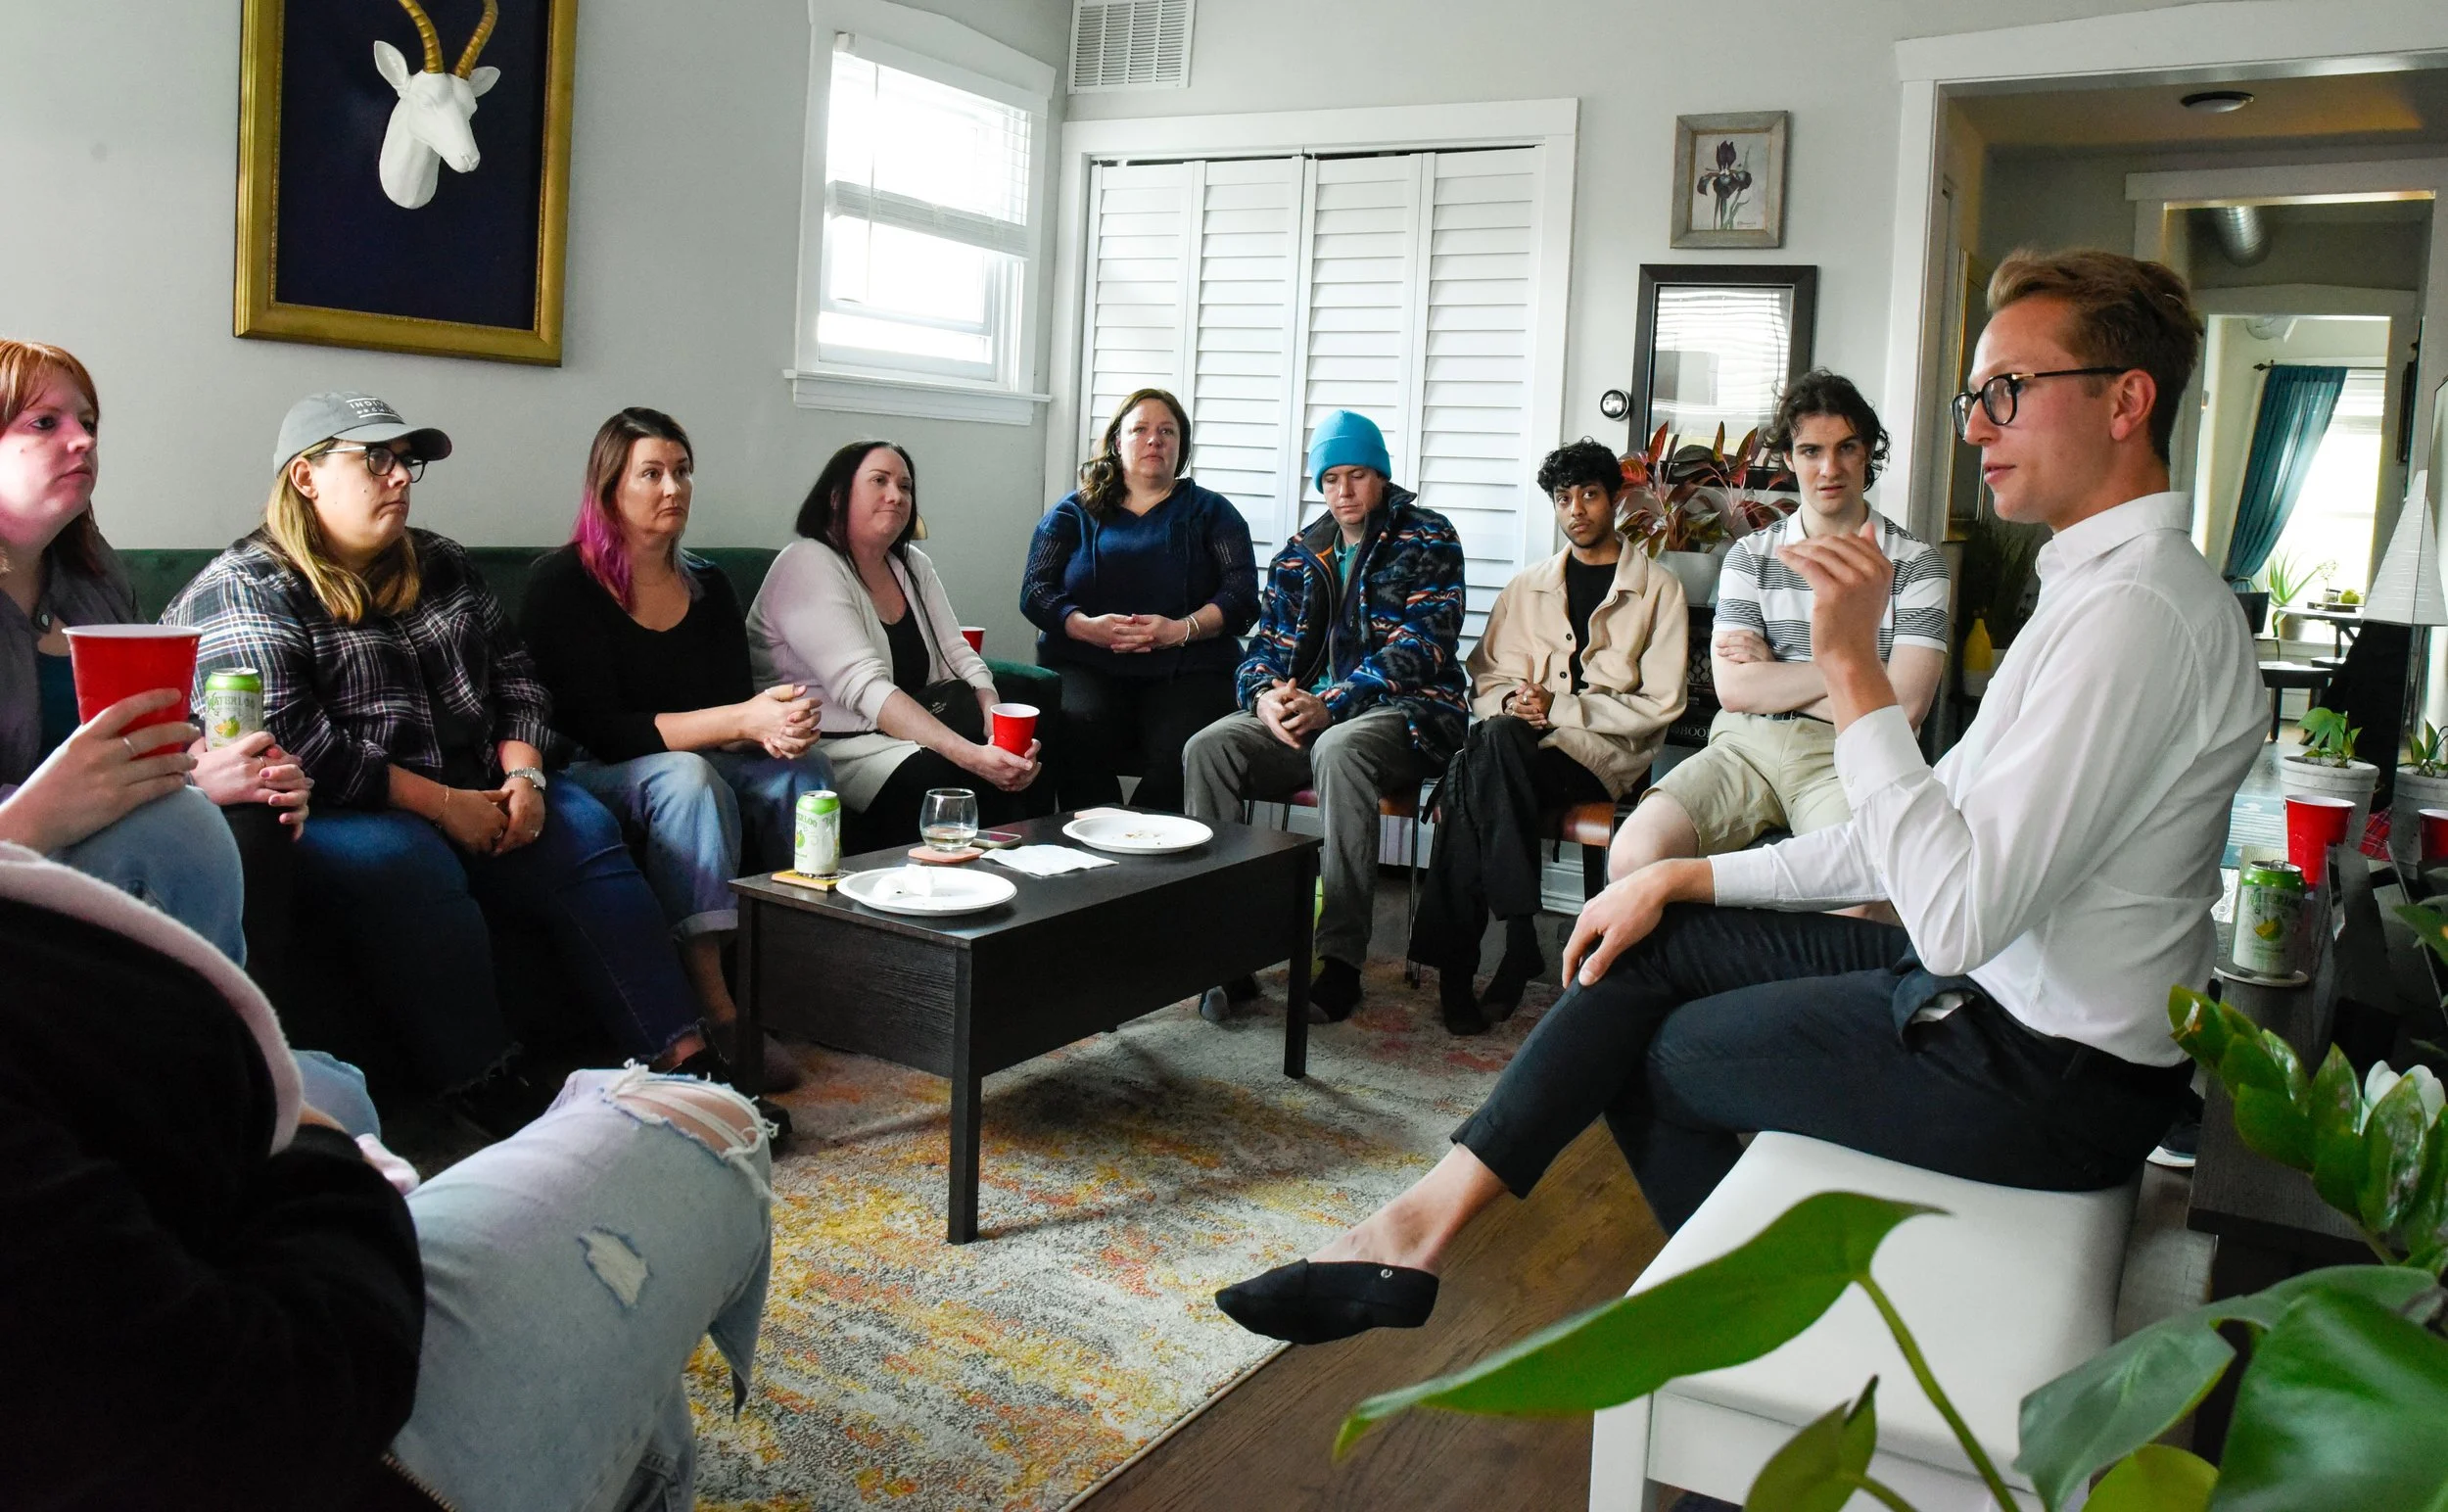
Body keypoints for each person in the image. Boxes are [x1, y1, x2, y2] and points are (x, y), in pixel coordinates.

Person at [1216, 249, 2260, 1347]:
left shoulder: (2137, 616)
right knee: (1646, 941)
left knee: (1656, 1056)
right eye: (1972, 397)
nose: (1975, 426)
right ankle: (1417, 1225)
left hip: (2042, 1066)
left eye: (2006, 392)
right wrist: (1684, 873)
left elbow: (1949, 911)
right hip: (1992, 992)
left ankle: (1763, 1353)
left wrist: (1851, 667)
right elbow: (1913, 831)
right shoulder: (2094, 594)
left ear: (2124, 400)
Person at [0, 842, 774, 1512]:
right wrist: (323, 1160)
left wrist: (523, 770)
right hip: (327, 1436)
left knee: (341, 1082)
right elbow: (244, 1431)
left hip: (212, 1227)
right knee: (698, 1119)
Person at [165, 392, 744, 1137]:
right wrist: (442, 807)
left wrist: (526, 778)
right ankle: (489, 1084)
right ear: (306, 477)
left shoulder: (439, 561)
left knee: (581, 825)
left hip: (485, 778)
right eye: (376, 460)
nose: (400, 477)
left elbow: (519, 681)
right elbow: (296, 740)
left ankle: (684, 1060)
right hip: (344, 808)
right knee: (410, 862)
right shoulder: (245, 585)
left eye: (406, 462)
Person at [521, 408, 831, 1092]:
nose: (673, 488)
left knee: (802, 772)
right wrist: (743, 719)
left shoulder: (710, 585)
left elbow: (729, 707)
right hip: (594, 771)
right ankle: (715, 1008)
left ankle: (793, 981)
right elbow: (600, 728)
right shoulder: (561, 585)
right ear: (610, 489)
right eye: (652, 473)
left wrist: (774, 723)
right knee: (689, 782)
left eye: (682, 471)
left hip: (695, 755)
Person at [0, 338, 308, 977]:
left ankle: (244, 1048)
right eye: (44, 422)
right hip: (20, 853)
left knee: (252, 814)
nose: (82, 441)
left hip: (100, 835)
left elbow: (145, 733)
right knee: (178, 824)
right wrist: (36, 815)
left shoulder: (93, 578)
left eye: (88, 422)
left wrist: (212, 766)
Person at [1607, 370, 1950, 884]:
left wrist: (1778, 675)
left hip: (1849, 754)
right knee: (1633, 853)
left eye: (1846, 448)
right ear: (1789, 458)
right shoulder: (1751, 555)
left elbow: (1905, 708)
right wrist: (1858, 671)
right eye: (1811, 451)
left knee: (1859, 888)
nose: (1829, 468)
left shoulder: (1917, 564)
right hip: (1744, 747)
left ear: (1867, 452)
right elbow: (1737, 690)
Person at [1185, 409, 1469, 1023]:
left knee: (1338, 749)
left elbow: (1427, 644)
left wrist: (1331, 703)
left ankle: (1339, 962)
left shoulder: (1428, 537)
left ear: (1382, 476)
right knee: (1209, 747)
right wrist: (1263, 696)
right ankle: (1225, 954)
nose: (1345, 491)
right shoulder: (1299, 555)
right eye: (1332, 477)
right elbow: (1260, 651)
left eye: (1359, 475)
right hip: (1305, 715)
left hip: (1406, 714)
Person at [1407, 439, 1688, 1034]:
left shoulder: (1659, 589)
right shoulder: (1526, 586)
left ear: (1616, 498)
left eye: (1589, 495)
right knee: (1493, 747)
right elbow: (1486, 676)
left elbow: (1660, 705)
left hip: (1601, 757)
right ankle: (1511, 945)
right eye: (1564, 499)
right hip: (1520, 751)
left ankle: (1473, 961)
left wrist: (1557, 708)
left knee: (1475, 766)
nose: (1577, 510)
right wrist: (1513, 701)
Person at [748, 439, 1048, 852]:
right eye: (879, 481)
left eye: (905, 486)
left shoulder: (911, 563)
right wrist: (974, 756)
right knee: (940, 777)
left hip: (908, 729)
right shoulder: (807, 563)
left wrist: (992, 719)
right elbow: (867, 690)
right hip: (837, 746)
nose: (896, 495)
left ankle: (1034, 880)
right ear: (837, 497)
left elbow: (957, 652)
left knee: (1031, 742)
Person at [1021, 388, 1258, 812]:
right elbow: (1036, 591)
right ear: (1117, 442)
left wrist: (1180, 630)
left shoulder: (1213, 512)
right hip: (1086, 662)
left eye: (1167, 431)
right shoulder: (1073, 512)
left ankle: (1145, 850)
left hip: (1189, 668)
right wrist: (1083, 626)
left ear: (1181, 446)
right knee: (1074, 728)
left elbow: (1241, 597)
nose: (1155, 440)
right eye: (1141, 430)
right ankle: (1093, 839)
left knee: (1186, 746)